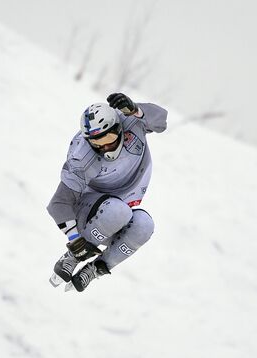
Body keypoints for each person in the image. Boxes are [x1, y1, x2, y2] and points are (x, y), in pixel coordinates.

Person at [46, 93, 167, 292]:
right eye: (97, 143)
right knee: (118, 211)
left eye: (109, 138)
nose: (104, 147)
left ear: (119, 128)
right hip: (91, 210)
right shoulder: (82, 157)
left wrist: (137, 110)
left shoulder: (132, 122)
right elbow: (58, 203)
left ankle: (97, 268)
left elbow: (161, 120)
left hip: (121, 206)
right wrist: (75, 240)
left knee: (144, 225)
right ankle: (73, 257)